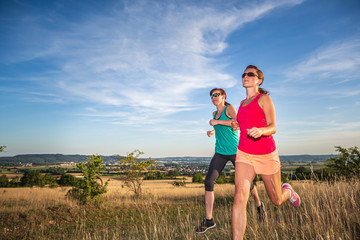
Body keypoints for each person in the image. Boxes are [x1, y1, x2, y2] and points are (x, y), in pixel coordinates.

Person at [231, 65, 301, 239]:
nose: (245, 76)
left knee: (276, 200)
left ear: (259, 80)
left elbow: (273, 127)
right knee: (240, 196)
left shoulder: (264, 99)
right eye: (243, 74)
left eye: (250, 74)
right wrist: (237, 125)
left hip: (266, 154)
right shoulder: (241, 103)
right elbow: (245, 123)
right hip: (244, 153)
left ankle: (288, 191)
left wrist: (261, 131)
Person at [196, 88, 265, 234]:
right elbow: (222, 127)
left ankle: (259, 205)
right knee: (208, 182)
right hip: (220, 152)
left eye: (216, 95)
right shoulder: (214, 113)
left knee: (246, 183)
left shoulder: (229, 108)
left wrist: (216, 122)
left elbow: (238, 123)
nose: (214, 97)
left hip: (236, 152)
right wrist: (213, 130)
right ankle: (209, 220)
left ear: (223, 96)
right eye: (211, 96)